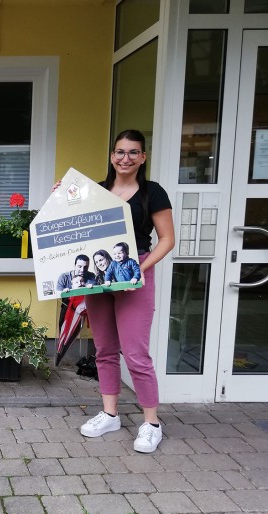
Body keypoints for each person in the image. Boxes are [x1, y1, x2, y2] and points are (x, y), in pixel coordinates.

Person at [79, 129, 174, 453]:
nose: (125, 158)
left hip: (135, 275)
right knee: (104, 350)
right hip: (100, 277)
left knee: (136, 354)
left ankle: (151, 423)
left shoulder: (153, 193)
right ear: (111, 156)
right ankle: (110, 414)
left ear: (143, 157)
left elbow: (167, 240)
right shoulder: (96, 191)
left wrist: (139, 270)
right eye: (120, 152)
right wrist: (63, 196)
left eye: (133, 152)